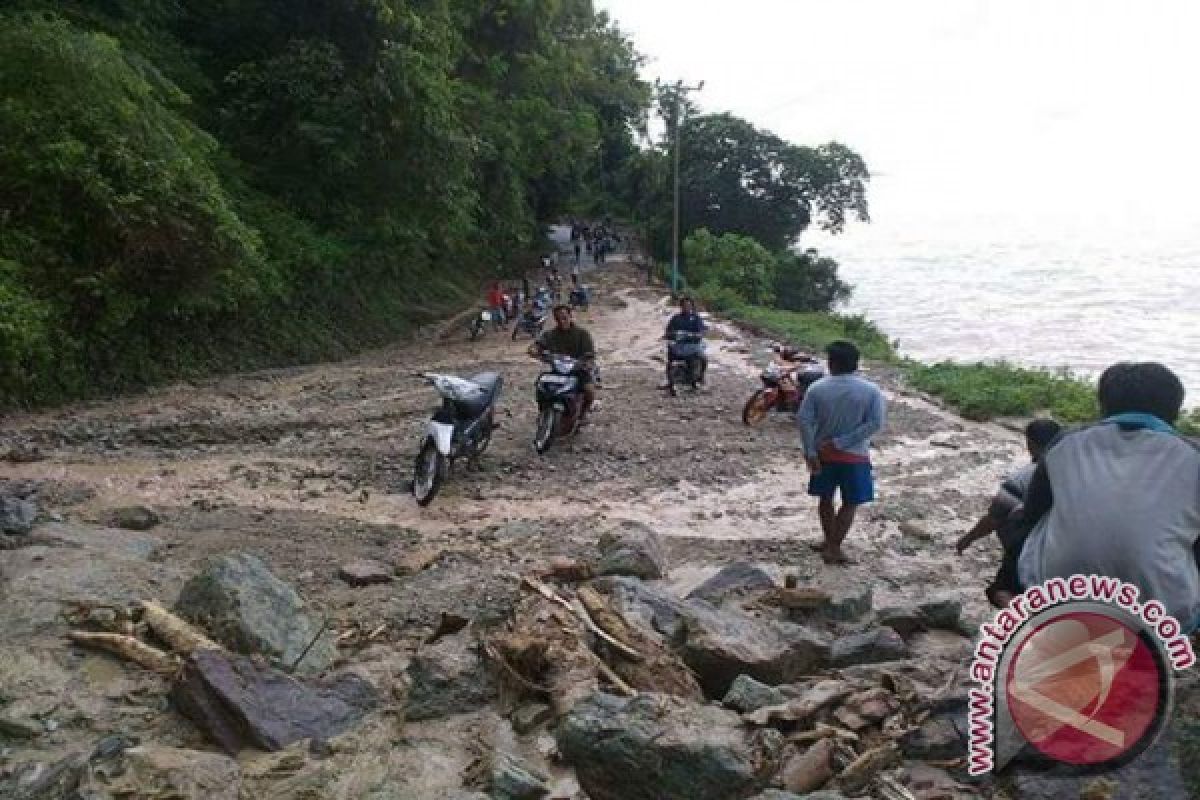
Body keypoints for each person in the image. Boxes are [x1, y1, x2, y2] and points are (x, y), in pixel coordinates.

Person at [1018, 362, 1200, 630]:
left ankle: (1016, 596)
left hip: (1059, 595)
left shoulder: (1065, 443)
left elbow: (1032, 511)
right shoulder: (1192, 455)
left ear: (1103, 406)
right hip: (1160, 611)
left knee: (1028, 519)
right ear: (1173, 411)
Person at [956, 418, 1063, 608]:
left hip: (1030, 548)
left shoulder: (1024, 477)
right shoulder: (1077, 471)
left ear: (1030, 444)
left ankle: (1022, 622)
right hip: (1070, 547)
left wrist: (968, 539)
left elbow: (994, 517)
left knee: (1001, 590)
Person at [797, 341, 887, 565]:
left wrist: (810, 451)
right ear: (856, 364)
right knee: (850, 503)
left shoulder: (817, 388)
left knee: (825, 499)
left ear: (831, 363)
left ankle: (830, 542)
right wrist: (843, 442)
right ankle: (834, 546)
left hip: (823, 454)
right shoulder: (871, 390)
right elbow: (875, 423)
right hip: (855, 456)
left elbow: (804, 420)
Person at [528, 305, 597, 420]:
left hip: (578, 370)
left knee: (589, 390)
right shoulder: (549, 335)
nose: (562, 321)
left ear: (570, 316)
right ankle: (543, 411)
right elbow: (537, 345)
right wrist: (534, 350)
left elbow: (590, 354)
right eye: (558, 319)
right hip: (557, 370)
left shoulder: (582, 334)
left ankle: (583, 413)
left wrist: (586, 362)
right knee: (541, 386)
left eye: (564, 318)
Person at [662, 296, 707, 393]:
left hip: (692, 346)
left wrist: (695, 335)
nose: (687, 307)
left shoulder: (696, 318)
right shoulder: (676, 318)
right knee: (669, 359)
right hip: (678, 346)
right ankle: (670, 381)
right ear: (681, 306)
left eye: (689, 305)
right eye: (684, 305)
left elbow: (701, 332)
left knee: (704, 358)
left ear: (692, 306)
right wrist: (672, 335)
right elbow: (668, 332)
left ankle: (700, 378)